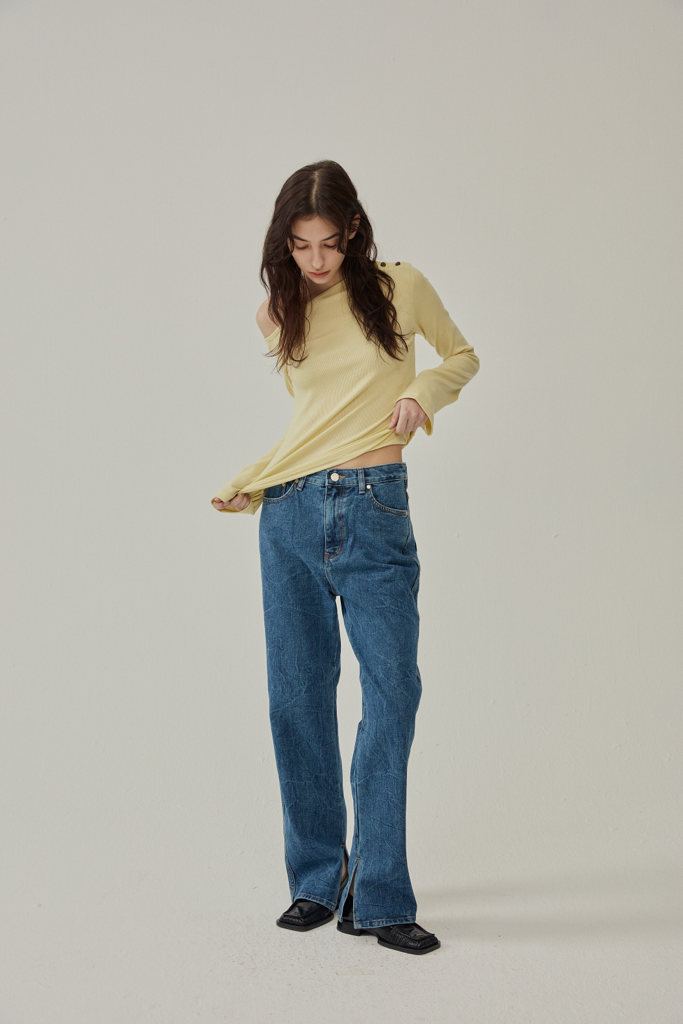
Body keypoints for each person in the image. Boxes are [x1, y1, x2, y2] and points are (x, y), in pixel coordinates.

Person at [211, 160, 480, 955]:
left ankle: (380, 894)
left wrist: (421, 395)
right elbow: (313, 423)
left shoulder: (400, 287)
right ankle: (315, 879)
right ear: (283, 243)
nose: (316, 260)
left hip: (373, 504)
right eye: (300, 246)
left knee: (393, 691)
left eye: (328, 243)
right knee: (296, 698)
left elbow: (461, 356)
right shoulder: (277, 312)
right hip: (289, 510)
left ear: (353, 230)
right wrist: (254, 479)